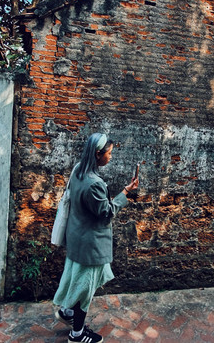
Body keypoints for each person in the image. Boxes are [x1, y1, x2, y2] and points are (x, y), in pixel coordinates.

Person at [53, 133, 139, 343]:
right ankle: (77, 334)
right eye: (109, 153)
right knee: (85, 290)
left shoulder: (78, 170)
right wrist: (125, 194)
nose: (110, 157)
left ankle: (67, 313)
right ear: (98, 154)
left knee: (75, 280)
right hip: (90, 245)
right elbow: (106, 212)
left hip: (76, 239)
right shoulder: (94, 183)